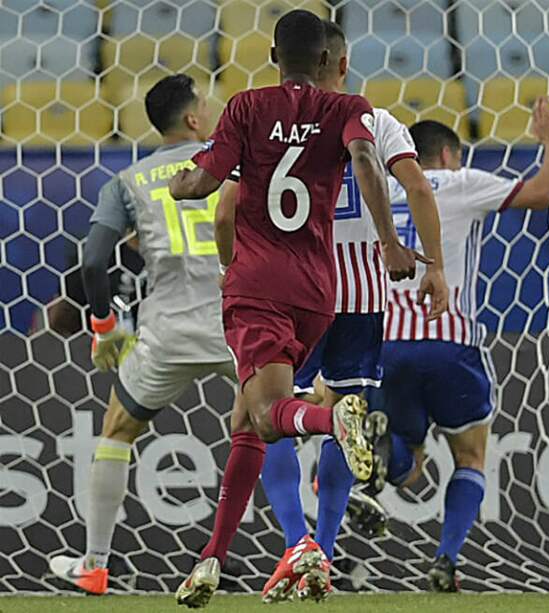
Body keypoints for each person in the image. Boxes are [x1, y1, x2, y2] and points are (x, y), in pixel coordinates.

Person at [167, 10, 423, 608]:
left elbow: (208, 191)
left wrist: (180, 183)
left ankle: (331, 424)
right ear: (331, 60)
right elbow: (365, 163)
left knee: (266, 416)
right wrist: (389, 243)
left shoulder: (248, 108)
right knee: (246, 419)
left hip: (258, 284)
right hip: (318, 293)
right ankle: (213, 560)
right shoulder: (347, 108)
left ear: (274, 55)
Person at [238, 20, 449, 603]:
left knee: (266, 415)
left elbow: (231, 202)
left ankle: (294, 543)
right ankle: (324, 556)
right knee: (345, 412)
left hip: (292, 288)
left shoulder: (268, 124)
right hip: (360, 294)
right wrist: (434, 269)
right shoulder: (376, 122)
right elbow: (421, 190)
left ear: (281, 58)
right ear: (343, 60)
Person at [357, 104, 549, 592]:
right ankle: (446, 560)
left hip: (386, 346)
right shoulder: (460, 181)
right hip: (449, 341)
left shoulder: (377, 192)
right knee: (470, 457)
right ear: (449, 153)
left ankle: (386, 456)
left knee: (407, 468)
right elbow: (544, 191)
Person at [47, 74, 232, 596]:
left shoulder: (127, 180)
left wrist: (105, 328)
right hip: (238, 323)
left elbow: (92, 261)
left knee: (117, 429)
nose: (211, 107)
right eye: (205, 102)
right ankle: (305, 547)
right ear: (194, 118)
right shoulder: (235, 164)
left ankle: (95, 564)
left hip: (167, 331)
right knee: (276, 420)